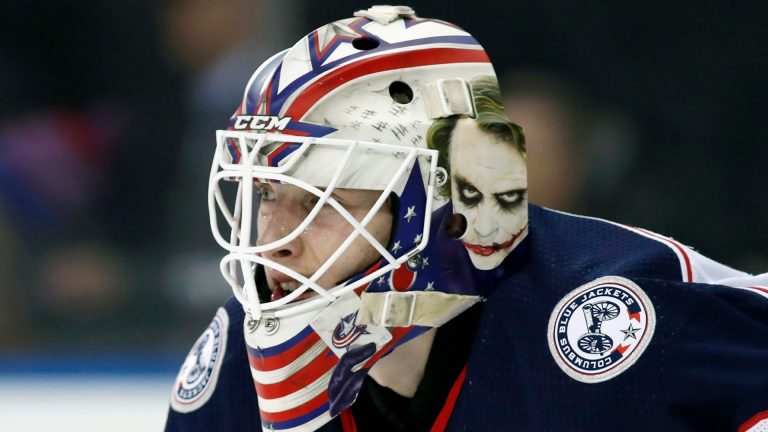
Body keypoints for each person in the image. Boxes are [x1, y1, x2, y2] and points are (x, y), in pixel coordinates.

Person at [166, 5, 768, 432]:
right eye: (268, 194)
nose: (274, 243)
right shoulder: (237, 358)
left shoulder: (617, 316)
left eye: (328, 202)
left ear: (454, 206)